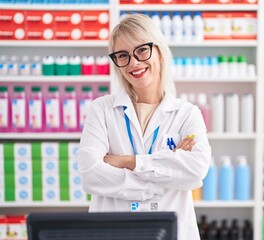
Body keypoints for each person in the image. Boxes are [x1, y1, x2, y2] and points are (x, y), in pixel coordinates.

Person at [77, 13, 211, 240]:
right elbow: (90, 174)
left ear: (158, 52)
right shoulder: (101, 110)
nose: (133, 63)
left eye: (141, 50)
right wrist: (157, 181)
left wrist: (127, 161)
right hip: (113, 234)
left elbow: (195, 171)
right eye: (123, 55)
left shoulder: (187, 114)